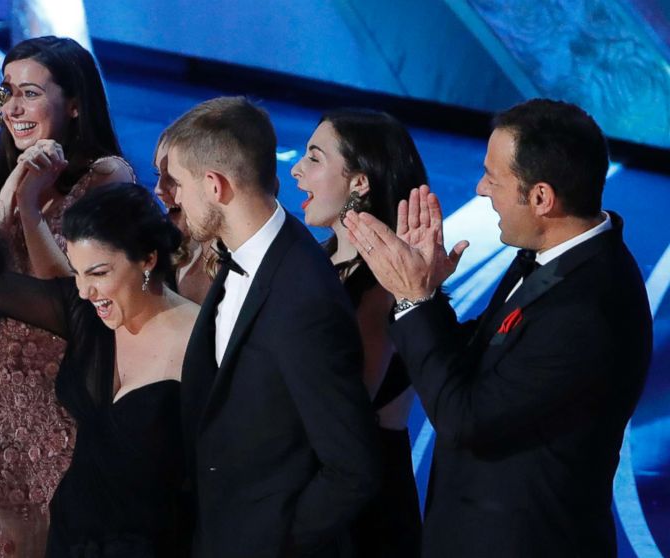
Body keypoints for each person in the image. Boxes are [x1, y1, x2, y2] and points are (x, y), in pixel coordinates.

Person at [344, 99, 652, 557]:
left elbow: (465, 419)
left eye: (494, 177)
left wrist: (413, 298)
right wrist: (425, 290)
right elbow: (478, 357)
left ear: (542, 198)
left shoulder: (588, 310)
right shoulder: (549, 257)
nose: (481, 188)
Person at [163, 97, 380, 557]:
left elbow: (352, 468)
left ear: (215, 186)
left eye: (179, 183)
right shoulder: (242, 259)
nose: (173, 197)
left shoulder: (304, 295)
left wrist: (273, 539)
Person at [0, 35, 135, 557]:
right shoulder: (5, 169)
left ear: (74, 103)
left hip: (56, 410)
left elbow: (72, 295)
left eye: (29, 93)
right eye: (6, 92)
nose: (13, 108)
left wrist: (28, 206)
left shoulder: (105, 176)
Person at [0, 182, 197, 557]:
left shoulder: (202, 340)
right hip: (71, 538)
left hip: (156, 545)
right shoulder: (87, 314)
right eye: (78, 273)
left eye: (97, 273)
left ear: (147, 259)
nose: (84, 290)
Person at [290, 108, 425, 557]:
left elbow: (346, 401)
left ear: (359, 183)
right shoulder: (321, 260)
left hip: (361, 520)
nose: (295, 169)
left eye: (314, 158)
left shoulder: (384, 283)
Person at [152, 132, 214, 304]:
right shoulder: (164, 248)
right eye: (158, 175)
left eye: (173, 177)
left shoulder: (240, 268)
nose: (158, 189)